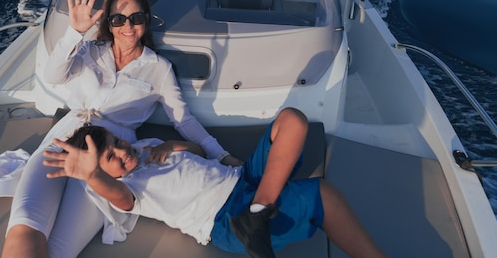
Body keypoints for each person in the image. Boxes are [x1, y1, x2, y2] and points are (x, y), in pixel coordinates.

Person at [0, 0, 240, 258]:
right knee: (24, 228)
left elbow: (183, 120)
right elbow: (53, 76)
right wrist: (75, 33)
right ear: (109, 24)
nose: (128, 26)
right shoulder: (89, 51)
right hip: (65, 138)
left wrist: (220, 154)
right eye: (118, 19)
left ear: (146, 20)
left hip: (110, 160)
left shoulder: (158, 68)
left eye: (136, 18)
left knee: (60, 249)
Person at [44, 108, 390, 258]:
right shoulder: (130, 190)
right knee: (325, 194)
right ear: (102, 172)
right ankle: (254, 217)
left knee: (293, 120)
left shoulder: (144, 146)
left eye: (116, 142)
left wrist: (171, 145)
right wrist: (90, 173)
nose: (122, 152)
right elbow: (117, 195)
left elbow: (195, 152)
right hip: (225, 217)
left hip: (243, 180)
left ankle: (260, 210)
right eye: (110, 158)